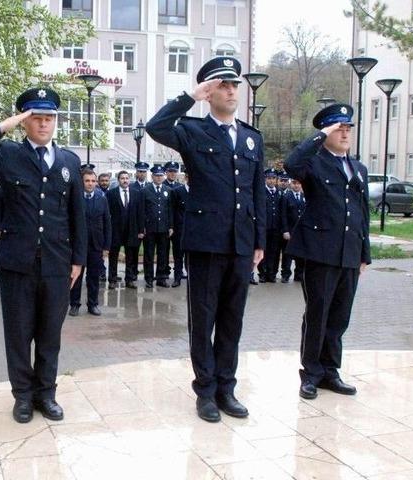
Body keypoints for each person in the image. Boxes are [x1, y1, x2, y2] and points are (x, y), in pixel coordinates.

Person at [146, 56, 266, 423]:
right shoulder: (193, 131)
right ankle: (205, 392)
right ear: (210, 90)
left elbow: (258, 192)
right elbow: (155, 126)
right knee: (204, 319)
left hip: (241, 243)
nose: (230, 90)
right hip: (205, 243)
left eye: (234, 85)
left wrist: (260, 241)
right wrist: (190, 96)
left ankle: (227, 389)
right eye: (222, 84)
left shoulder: (251, 137)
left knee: (233, 319)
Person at [0, 87, 86, 424]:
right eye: (36, 118)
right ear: (25, 122)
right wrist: (4, 125)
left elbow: (78, 215)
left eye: (49, 118)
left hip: (59, 264)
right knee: (18, 334)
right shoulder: (8, 156)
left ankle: (46, 394)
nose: (44, 124)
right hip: (18, 263)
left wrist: (79, 259)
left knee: (50, 334)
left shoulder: (69, 161)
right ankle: (23, 397)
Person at [284, 103, 370, 401]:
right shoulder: (315, 162)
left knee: (339, 317)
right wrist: (320, 136)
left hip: (349, 253)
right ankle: (310, 374)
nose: (344, 133)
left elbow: (363, 213)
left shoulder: (358, 168)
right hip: (320, 252)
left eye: (348, 128)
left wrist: (364, 253)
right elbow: (291, 165)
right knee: (318, 315)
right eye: (338, 128)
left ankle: (331, 371)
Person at [69, 169, 111, 316]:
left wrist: (106, 246)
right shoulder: (75, 198)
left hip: (96, 245)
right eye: (87, 181)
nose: (90, 183)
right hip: (77, 245)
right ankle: (74, 304)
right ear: (82, 182)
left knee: (93, 276)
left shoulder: (102, 198)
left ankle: (92, 304)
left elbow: (107, 223)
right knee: (76, 276)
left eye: (93, 181)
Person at [106, 170, 144, 289]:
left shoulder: (136, 193)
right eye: (122, 178)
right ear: (118, 180)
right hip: (116, 230)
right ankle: (112, 279)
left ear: (129, 179)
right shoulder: (111, 194)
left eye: (127, 178)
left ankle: (129, 279)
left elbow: (140, 213)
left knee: (131, 256)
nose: (125, 180)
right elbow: (107, 214)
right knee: (113, 256)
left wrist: (141, 230)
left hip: (132, 230)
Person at [142, 165, 173, 289]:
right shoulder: (145, 190)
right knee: (148, 254)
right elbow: (142, 211)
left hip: (164, 228)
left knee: (163, 254)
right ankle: (149, 278)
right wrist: (142, 226)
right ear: (152, 176)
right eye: (156, 175)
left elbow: (170, 210)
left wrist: (171, 226)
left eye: (161, 175)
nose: (159, 178)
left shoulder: (168, 190)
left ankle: (161, 278)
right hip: (149, 228)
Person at [258, 169, 283, 283]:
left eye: (273, 178)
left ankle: (272, 273)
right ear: (265, 179)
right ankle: (262, 273)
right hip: (264, 227)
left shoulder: (280, 193)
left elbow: (282, 212)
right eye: (269, 178)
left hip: (276, 228)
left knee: (275, 252)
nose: (271, 180)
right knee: (263, 251)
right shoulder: (261, 192)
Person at [280, 177, 306, 283]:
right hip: (290, 230)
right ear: (291, 184)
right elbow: (283, 215)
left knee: (301, 254)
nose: (297, 185)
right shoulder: (286, 197)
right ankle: (285, 274)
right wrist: (285, 230)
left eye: (299, 183)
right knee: (287, 254)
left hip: (301, 231)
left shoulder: (304, 196)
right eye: (295, 183)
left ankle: (298, 274)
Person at [170, 172, 189, 287]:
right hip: (179, 229)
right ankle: (177, 277)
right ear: (186, 177)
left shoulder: (199, 192)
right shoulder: (177, 191)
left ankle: (191, 277)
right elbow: (172, 210)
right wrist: (171, 226)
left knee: (191, 256)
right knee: (178, 255)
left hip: (193, 230)